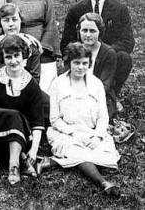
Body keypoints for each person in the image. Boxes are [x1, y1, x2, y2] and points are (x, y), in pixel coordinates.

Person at [39, 42, 120, 196]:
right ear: (68, 63)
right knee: (78, 152)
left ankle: (54, 161)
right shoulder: (58, 84)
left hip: (91, 131)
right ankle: (103, 182)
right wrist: (73, 133)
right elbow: (54, 119)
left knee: (107, 158)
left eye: (85, 63)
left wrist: (97, 136)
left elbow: (103, 116)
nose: (81, 67)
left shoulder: (96, 84)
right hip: (67, 132)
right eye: (76, 63)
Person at [61, 0, 134, 111]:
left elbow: (128, 41)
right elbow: (66, 43)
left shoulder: (120, 9)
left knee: (125, 58)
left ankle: (112, 94)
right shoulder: (76, 10)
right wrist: (83, 50)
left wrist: (103, 52)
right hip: (82, 56)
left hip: (109, 57)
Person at [0, 35, 44, 185]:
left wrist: (34, 150)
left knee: (16, 117)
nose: (13, 61)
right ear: (2, 59)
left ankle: (14, 166)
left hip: (21, 136)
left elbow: (37, 121)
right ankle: (22, 160)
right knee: (7, 114)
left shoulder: (31, 84)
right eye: (8, 57)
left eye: (17, 56)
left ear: (24, 56)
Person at [4, 0, 60, 92]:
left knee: (43, 91)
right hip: (16, 50)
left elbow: (50, 25)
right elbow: (4, 24)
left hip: (42, 52)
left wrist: (40, 48)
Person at [0, 3, 42, 83]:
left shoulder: (31, 45)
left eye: (14, 19)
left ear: (20, 20)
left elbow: (35, 77)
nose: (11, 24)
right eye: (6, 20)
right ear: (0, 22)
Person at [77, 13, 117, 118]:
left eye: (92, 31)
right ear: (79, 31)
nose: (88, 35)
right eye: (84, 30)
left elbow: (105, 86)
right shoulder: (74, 50)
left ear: (100, 32)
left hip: (100, 98)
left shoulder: (108, 53)